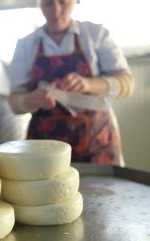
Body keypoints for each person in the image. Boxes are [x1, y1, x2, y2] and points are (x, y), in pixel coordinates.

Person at [8, 0, 134, 165]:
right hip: (46, 150)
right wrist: (32, 100)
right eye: (48, 4)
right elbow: (15, 102)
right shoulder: (26, 45)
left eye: (63, 2)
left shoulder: (96, 35)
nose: (56, 10)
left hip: (97, 145)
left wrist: (90, 84)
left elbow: (127, 84)